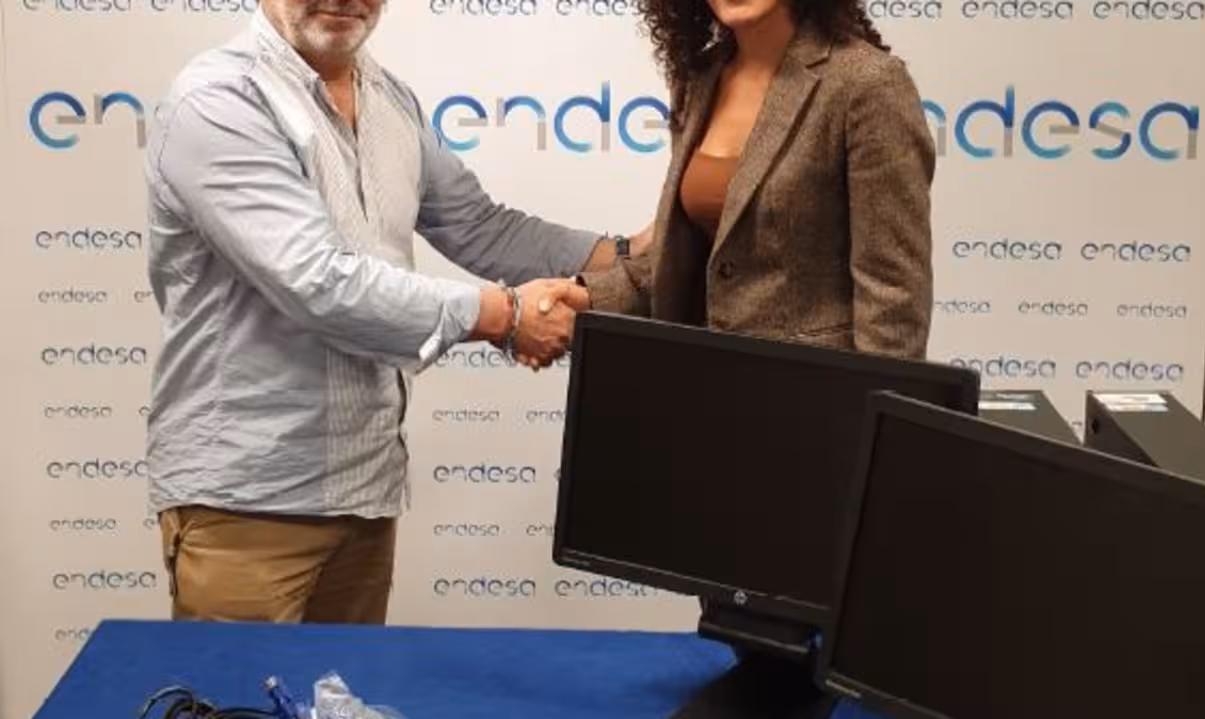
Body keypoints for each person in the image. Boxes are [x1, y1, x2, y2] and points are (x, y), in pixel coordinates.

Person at [144, 0, 643, 624]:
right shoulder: (219, 99)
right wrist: (506, 315)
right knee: (239, 684)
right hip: (247, 502)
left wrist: (635, 257)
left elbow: (479, 225)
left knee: (344, 686)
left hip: (365, 497)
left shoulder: (388, 98)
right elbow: (318, 282)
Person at [574, 0, 934, 360]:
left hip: (815, 389)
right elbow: (684, 261)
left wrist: (878, 397)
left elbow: (893, 298)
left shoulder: (868, 83)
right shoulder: (698, 78)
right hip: (703, 382)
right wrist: (586, 298)